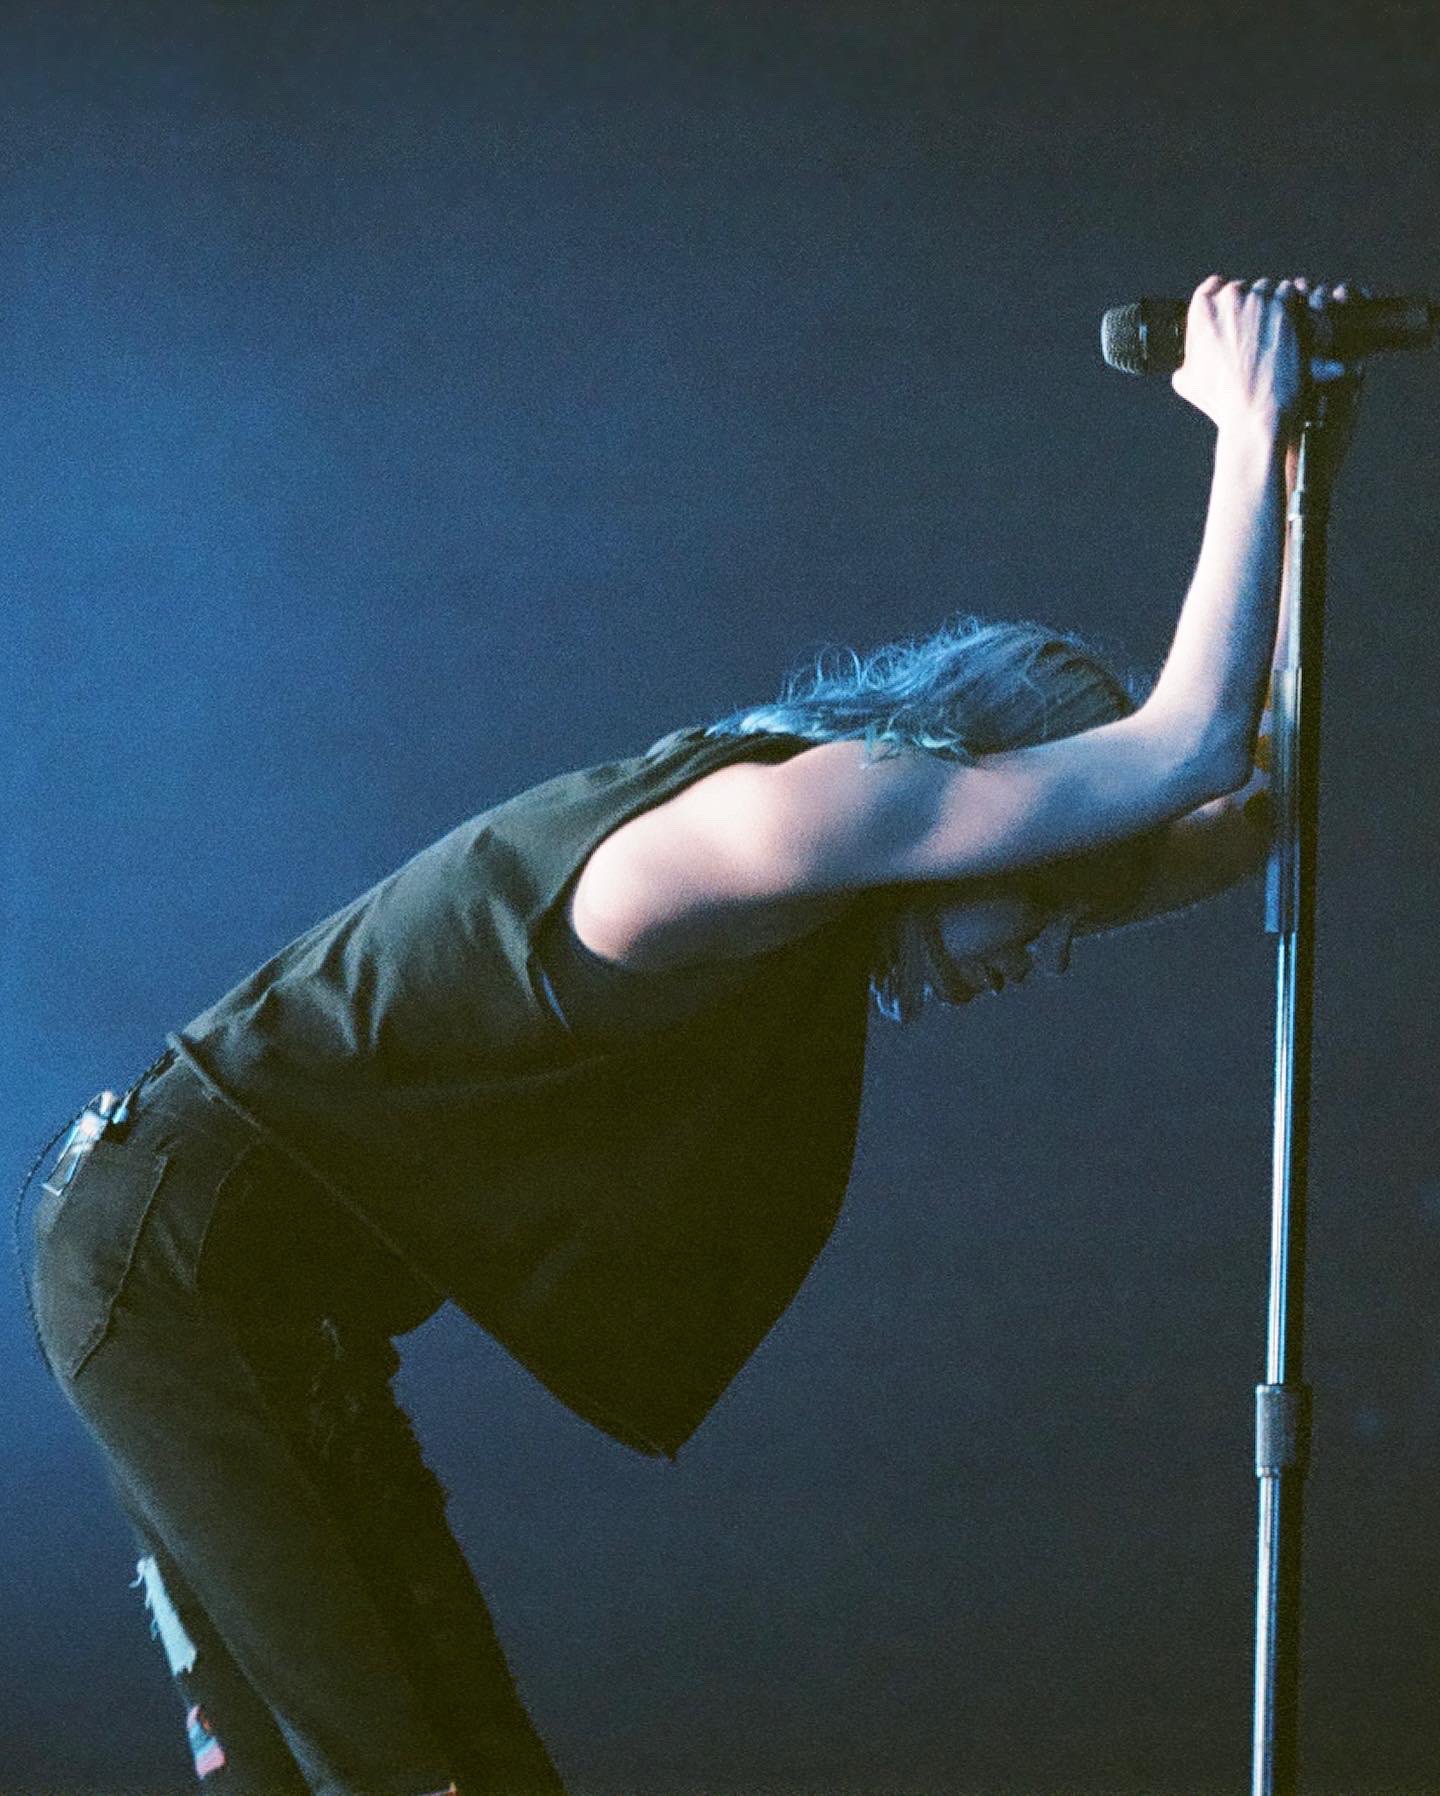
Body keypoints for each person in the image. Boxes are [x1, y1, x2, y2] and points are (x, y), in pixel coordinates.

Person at [26, 274, 1360, 1796]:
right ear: (974, 795)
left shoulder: (818, 905)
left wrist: (1304, 465)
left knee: (458, 1764)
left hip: (267, 1293)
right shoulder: (786, 819)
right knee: (403, 1774)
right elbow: (1188, 746)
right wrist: (1246, 421)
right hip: (171, 1252)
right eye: (1049, 895)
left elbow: (1246, 806)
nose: (1052, 950)